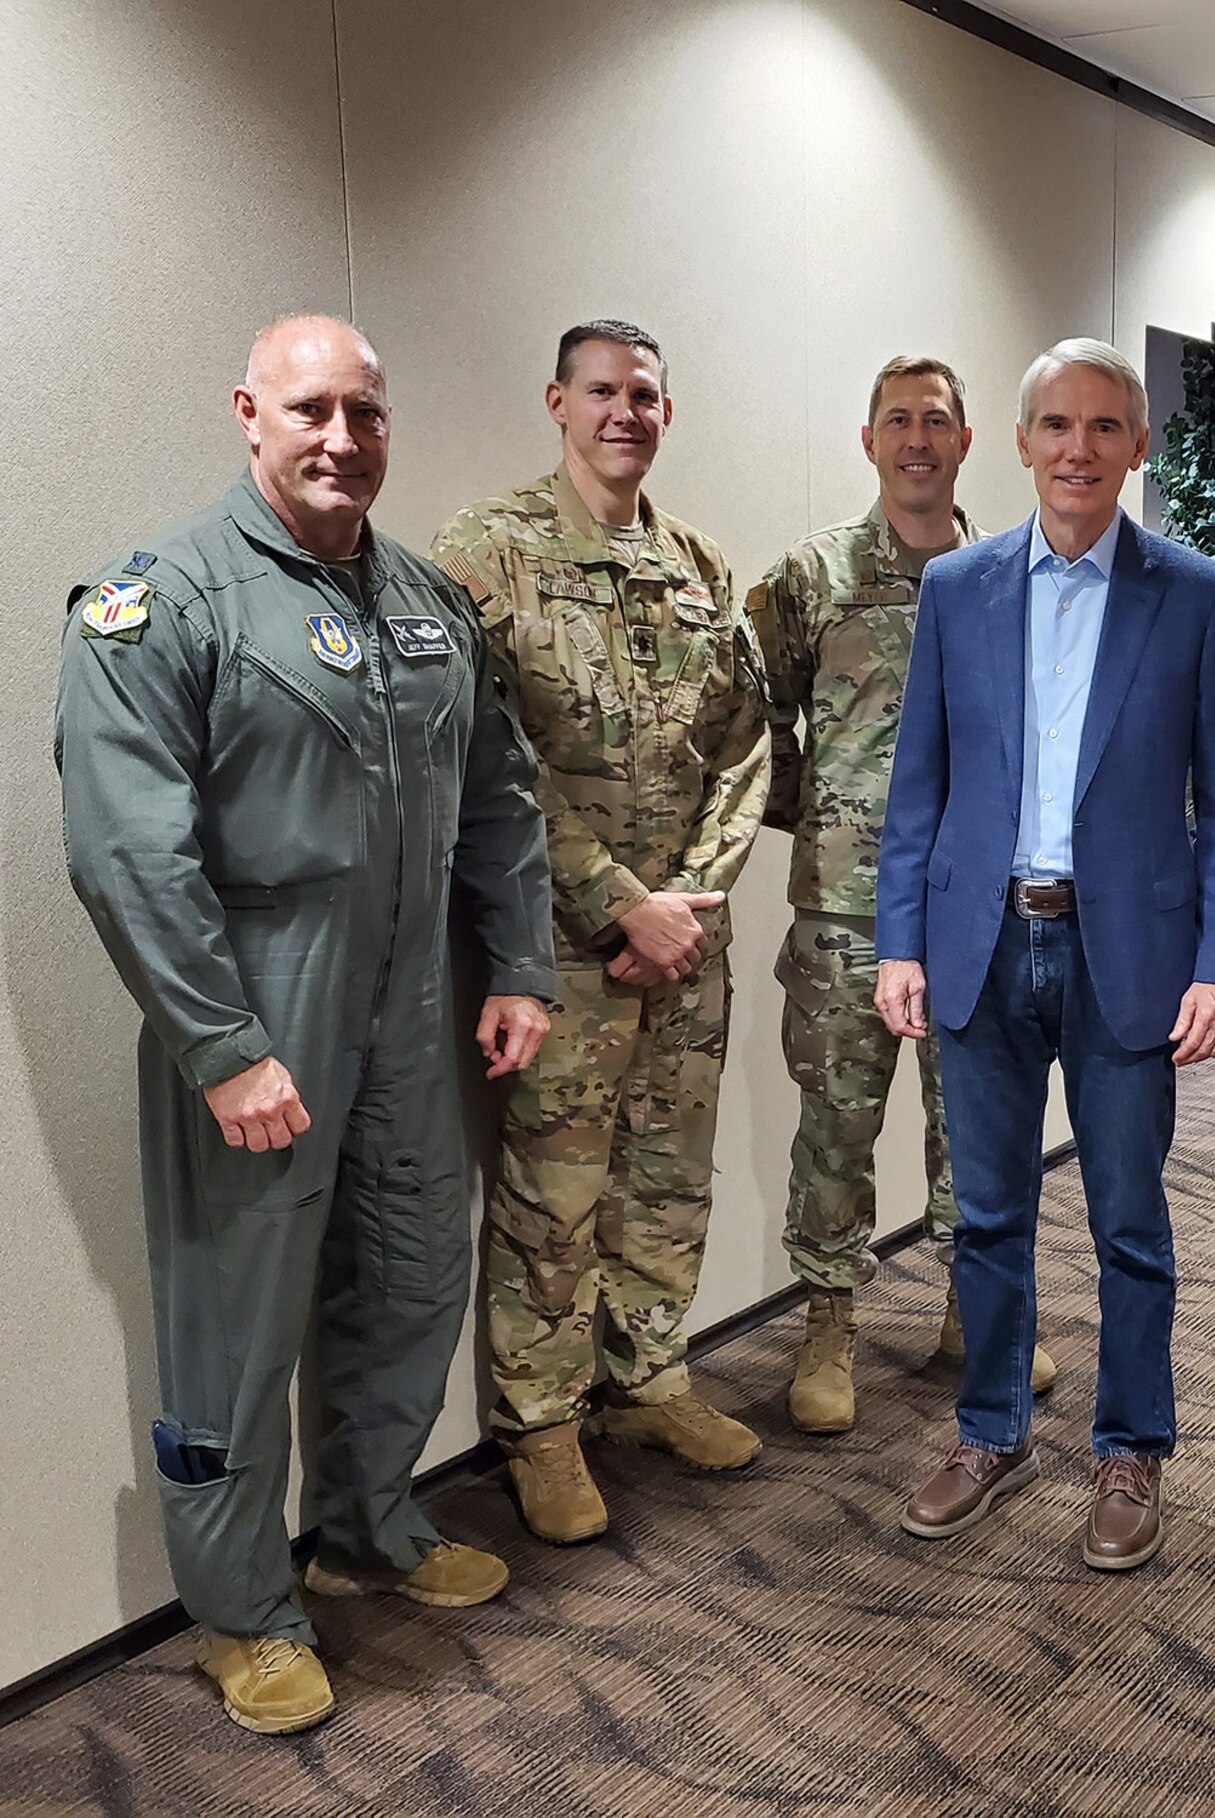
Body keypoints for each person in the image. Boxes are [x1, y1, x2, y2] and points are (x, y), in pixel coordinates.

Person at [56, 315, 556, 1735]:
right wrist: (221, 1042)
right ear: (247, 414)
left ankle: (366, 1525)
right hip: (258, 1000)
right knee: (237, 1316)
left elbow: (502, 796)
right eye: (310, 410)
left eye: (366, 413)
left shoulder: (426, 603)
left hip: (408, 1004)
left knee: (408, 1279)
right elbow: (124, 848)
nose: (342, 438)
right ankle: (240, 1608)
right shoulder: (165, 600)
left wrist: (517, 961)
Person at [875, 337, 1215, 1571]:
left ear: (1138, 448)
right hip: (979, 945)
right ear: (1023, 441)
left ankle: (1130, 1448)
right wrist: (901, 943)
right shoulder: (957, 588)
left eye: (1105, 428)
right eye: (1056, 426)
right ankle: (990, 1429)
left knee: (1126, 1220)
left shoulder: (1195, 595)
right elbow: (917, 789)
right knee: (985, 1213)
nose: (1079, 451)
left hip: (1125, 954)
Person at [432, 320, 771, 1549]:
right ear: (556, 404)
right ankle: (543, 1427)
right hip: (562, 947)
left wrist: (686, 901)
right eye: (601, 392)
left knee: (668, 1174)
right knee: (554, 1192)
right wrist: (621, 902)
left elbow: (744, 746)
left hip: (688, 938)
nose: (624, 412)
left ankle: (651, 1381)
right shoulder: (487, 553)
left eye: (644, 395)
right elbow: (487, 759)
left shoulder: (698, 564)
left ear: (665, 414)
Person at [747, 356, 1055, 1435]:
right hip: (845, 911)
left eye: (936, 421)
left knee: (974, 1122)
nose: (916, 439)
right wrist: (822, 814)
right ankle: (827, 1321)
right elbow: (753, 720)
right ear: (868, 439)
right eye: (897, 421)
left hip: (974, 907)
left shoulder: (1016, 578)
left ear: (968, 441)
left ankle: (976, 1312)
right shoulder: (813, 578)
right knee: (835, 1123)